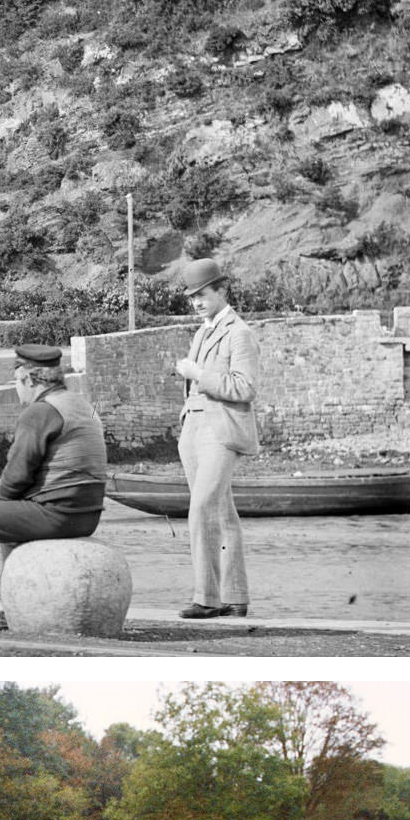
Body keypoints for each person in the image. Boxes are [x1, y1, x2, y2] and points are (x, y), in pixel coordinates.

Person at [0, 345, 108, 629]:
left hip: (59, 513)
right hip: (87, 514)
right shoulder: (78, 404)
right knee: (10, 517)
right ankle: (13, 607)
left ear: (29, 380)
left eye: (16, 383)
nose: (17, 391)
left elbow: (18, 472)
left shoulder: (40, 412)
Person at [174, 257, 259, 619]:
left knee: (202, 509)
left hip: (221, 431)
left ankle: (207, 598)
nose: (196, 302)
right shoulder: (202, 331)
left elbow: (245, 387)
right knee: (222, 513)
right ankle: (235, 597)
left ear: (222, 289)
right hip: (194, 429)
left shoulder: (240, 333)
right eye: (191, 297)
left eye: (203, 294)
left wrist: (197, 372)